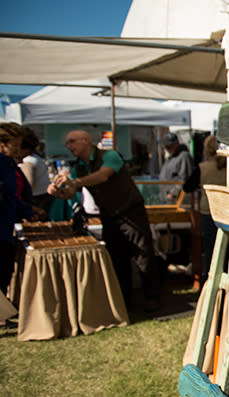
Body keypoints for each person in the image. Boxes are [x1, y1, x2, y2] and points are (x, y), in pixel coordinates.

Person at [48, 130, 161, 312]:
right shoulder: (79, 167)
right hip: (109, 215)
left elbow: (102, 176)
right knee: (116, 258)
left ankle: (152, 298)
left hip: (130, 211)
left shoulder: (110, 155)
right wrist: (58, 191)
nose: (69, 146)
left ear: (86, 141)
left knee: (142, 254)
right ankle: (124, 299)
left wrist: (73, 182)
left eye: (72, 141)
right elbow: (70, 192)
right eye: (67, 143)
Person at [1, 122, 40, 295]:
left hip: (6, 223)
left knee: (5, 268)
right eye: (14, 145)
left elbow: (11, 195)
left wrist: (27, 212)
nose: (18, 149)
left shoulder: (8, 163)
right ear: (2, 143)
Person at [197, 134, 227, 282]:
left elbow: (187, 186)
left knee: (211, 251)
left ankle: (210, 284)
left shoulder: (202, 168)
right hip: (227, 212)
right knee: (226, 252)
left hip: (209, 212)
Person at [18, 128, 54, 215]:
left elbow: (28, 185)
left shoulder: (28, 161)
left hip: (37, 201)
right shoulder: (35, 157)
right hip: (44, 197)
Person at [159, 132, 196, 203]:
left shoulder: (183, 156)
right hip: (168, 200)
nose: (167, 148)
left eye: (169, 146)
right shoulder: (170, 157)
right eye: (166, 146)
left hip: (178, 201)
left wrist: (173, 194)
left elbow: (183, 178)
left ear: (176, 143)